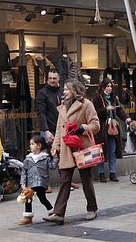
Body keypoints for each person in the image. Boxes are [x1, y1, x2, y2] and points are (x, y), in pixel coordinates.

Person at [45, 79, 100, 224]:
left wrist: (83, 127)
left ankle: (92, 208)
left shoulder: (87, 104)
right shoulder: (62, 107)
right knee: (64, 180)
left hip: (82, 146)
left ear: (75, 90)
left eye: (66, 89)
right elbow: (59, 129)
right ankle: (58, 214)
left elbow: (96, 125)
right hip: (66, 148)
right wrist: (55, 146)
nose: (63, 92)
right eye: (64, 89)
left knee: (86, 179)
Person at [94, 79, 128, 183]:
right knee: (101, 151)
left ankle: (113, 172)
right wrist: (105, 110)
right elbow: (94, 113)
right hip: (102, 129)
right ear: (103, 87)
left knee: (112, 150)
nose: (109, 88)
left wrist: (126, 118)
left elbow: (119, 110)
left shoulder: (114, 98)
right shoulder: (97, 98)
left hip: (112, 127)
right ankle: (101, 173)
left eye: (110, 86)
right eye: (107, 86)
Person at [18, 136, 56, 225]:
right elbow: (24, 172)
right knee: (28, 198)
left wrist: (55, 157)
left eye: (32, 144)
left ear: (39, 145)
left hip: (41, 182)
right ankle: (28, 217)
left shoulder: (45, 157)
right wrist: (23, 183)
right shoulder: (28, 159)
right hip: (30, 183)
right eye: (30, 144)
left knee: (42, 198)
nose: (30, 146)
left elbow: (52, 166)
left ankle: (52, 212)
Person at [36, 69, 62, 146]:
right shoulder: (42, 93)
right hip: (49, 130)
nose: (52, 80)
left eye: (54, 78)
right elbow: (41, 113)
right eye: (50, 78)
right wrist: (46, 131)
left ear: (58, 79)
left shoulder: (63, 91)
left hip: (62, 128)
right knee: (48, 154)